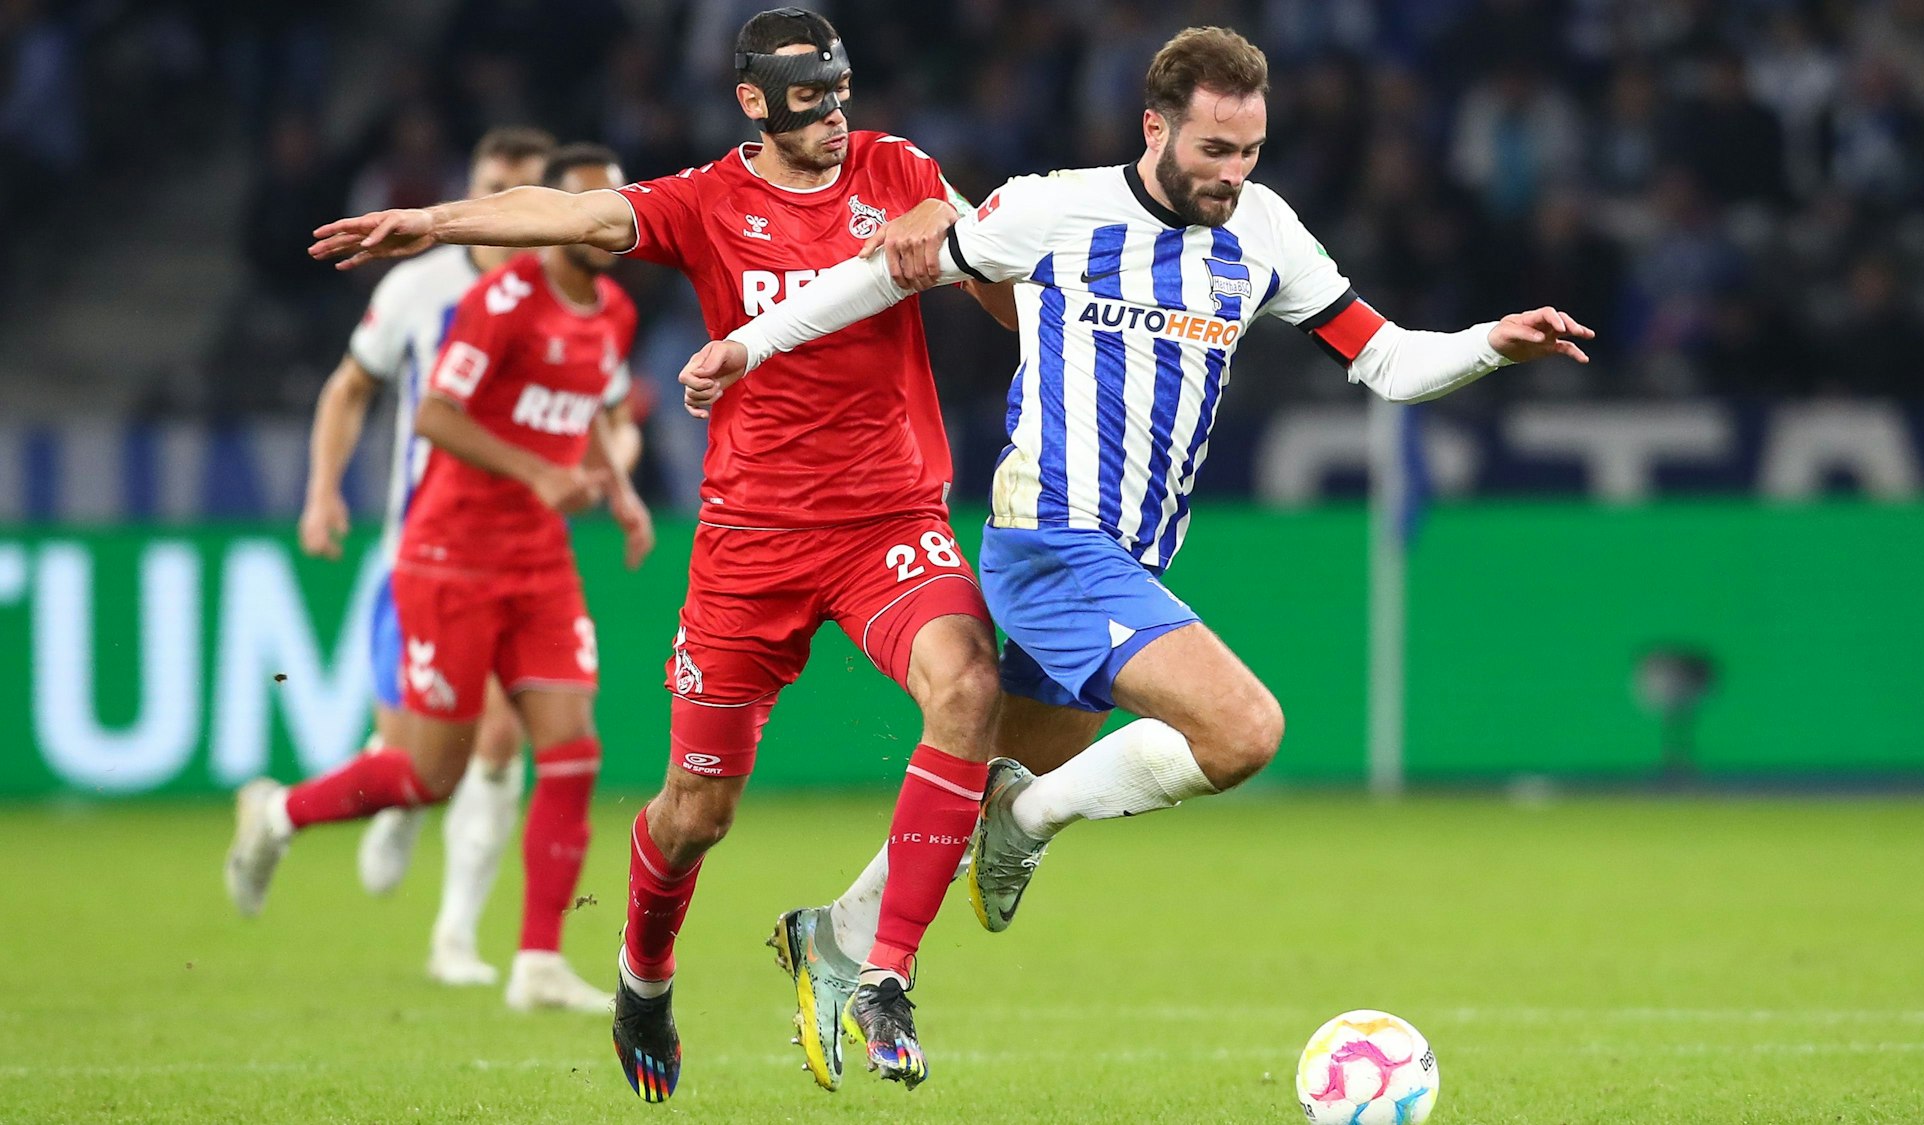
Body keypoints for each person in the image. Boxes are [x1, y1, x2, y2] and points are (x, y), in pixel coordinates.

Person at [679, 21, 1595, 1014]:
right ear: (1155, 127)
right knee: (1241, 731)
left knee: (984, 780)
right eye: (1214, 149)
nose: (1232, 173)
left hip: (1131, 556)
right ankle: (1021, 828)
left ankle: (836, 937)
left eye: (1249, 151)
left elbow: (1386, 360)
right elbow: (882, 272)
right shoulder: (1052, 209)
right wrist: (748, 345)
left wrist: (1491, 342)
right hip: (1050, 543)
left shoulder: (1266, 232)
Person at [306, 7, 1018, 1100]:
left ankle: (882, 974)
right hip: (749, 544)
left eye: (839, 94)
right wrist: (439, 222)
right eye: (806, 101)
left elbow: (1005, 305)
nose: (832, 117)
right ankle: (642, 975)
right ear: (752, 102)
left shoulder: (898, 169)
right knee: (695, 813)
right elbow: (570, 210)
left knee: (968, 687)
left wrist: (958, 234)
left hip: (889, 521)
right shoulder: (705, 202)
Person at [230, 144, 656, 1016]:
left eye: (611, 208)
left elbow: (585, 410)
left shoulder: (613, 312)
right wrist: (538, 475)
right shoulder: (499, 303)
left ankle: (537, 960)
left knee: (573, 750)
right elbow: (433, 414)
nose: (602, 224)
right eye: (585, 208)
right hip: (450, 556)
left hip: (539, 561)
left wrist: (619, 492)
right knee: (430, 774)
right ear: (554, 219)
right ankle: (278, 814)